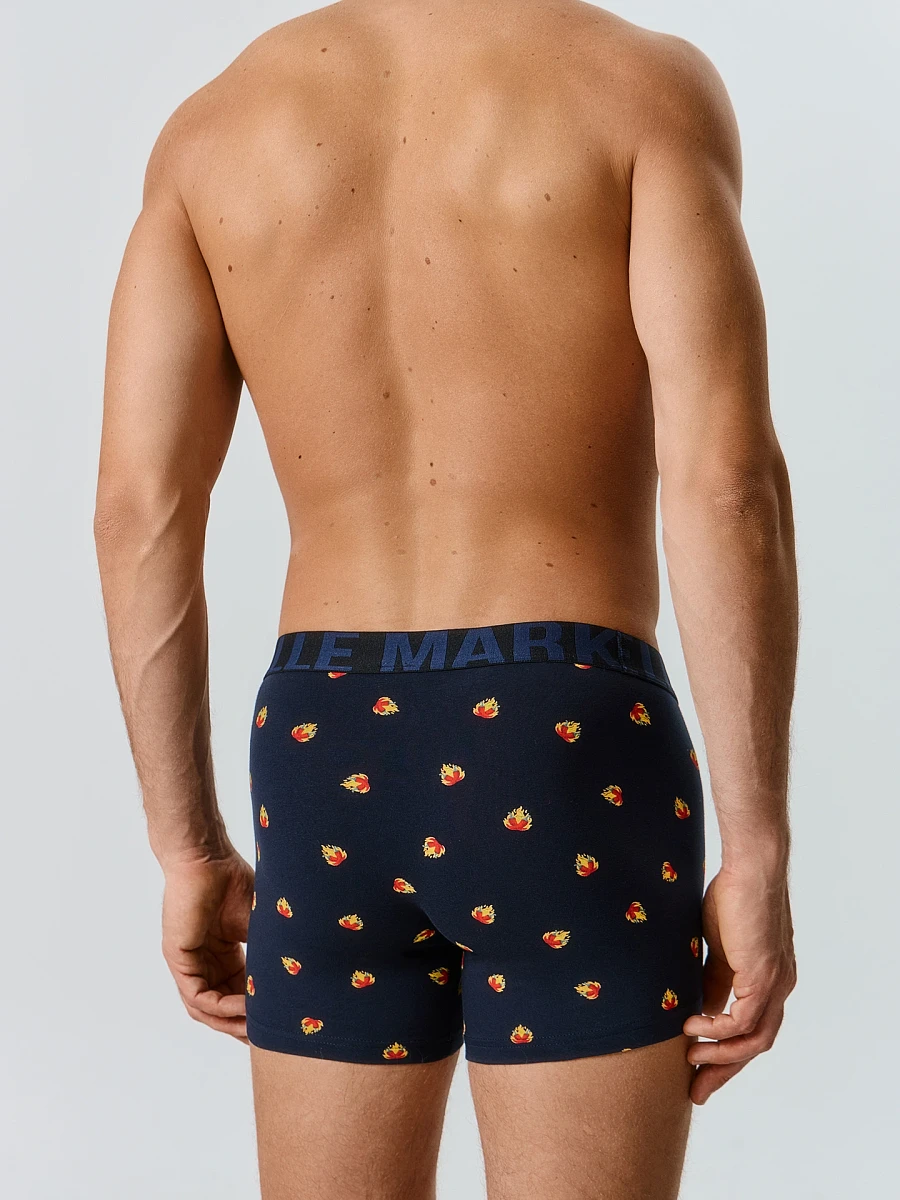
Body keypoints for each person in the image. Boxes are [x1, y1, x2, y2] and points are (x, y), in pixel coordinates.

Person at [93, 1, 798, 1196]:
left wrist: (186, 846)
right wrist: (761, 843)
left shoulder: (213, 130)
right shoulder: (638, 89)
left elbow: (137, 508)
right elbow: (725, 483)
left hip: (321, 744)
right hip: (564, 737)